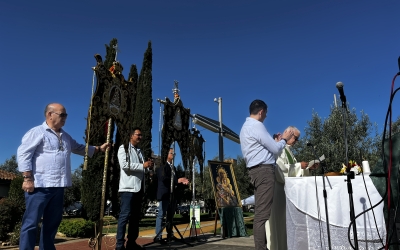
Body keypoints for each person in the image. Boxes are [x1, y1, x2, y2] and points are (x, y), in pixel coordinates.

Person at [17, 103, 110, 250]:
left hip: (59, 186)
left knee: (52, 223)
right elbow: (23, 154)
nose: (65, 118)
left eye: (66, 115)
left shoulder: (65, 136)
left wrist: (98, 149)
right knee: (31, 223)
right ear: (49, 115)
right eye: (62, 115)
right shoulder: (37, 132)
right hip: (40, 186)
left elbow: (79, 148)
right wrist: (27, 178)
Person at [239, 99, 293, 250]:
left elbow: (266, 150)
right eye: (266, 113)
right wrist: (284, 139)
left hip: (257, 170)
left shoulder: (246, 127)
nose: (266, 117)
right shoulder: (256, 125)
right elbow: (276, 150)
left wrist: (276, 142)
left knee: (260, 213)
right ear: (261, 112)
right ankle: (261, 248)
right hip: (264, 172)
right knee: (262, 215)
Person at [267, 127, 319, 250]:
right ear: (289, 135)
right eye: (295, 138)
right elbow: (280, 168)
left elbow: (293, 170)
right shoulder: (279, 148)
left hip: (285, 192)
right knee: (276, 225)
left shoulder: (289, 151)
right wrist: (298, 166)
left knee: (284, 225)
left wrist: (306, 168)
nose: (296, 141)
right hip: (277, 189)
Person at [115, 127, 154, 250]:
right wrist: (143, 165)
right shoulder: (124, 148)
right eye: (138, 135)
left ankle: (131, 242)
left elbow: (142, 168)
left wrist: (148, 168)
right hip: (128, 188)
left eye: (141, 135)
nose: (140, 137)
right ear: (131, 135)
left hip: (138, 188)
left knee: (135, 218)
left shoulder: (140, 151)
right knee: (124, 216)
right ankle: (119, 245)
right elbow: (125, 166)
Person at [155, 148, 189, 244]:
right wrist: (176, 180)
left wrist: (182, 181)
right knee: (161, 215)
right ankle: (159, 236)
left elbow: (175, 181)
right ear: (167, 154)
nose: (173, 155)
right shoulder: (163, 165)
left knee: (170, 216)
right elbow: (163, 178)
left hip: (172, 195)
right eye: (172, 153)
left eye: (174, 153)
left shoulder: (173, 167)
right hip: (165, 194)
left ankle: (170, 234)